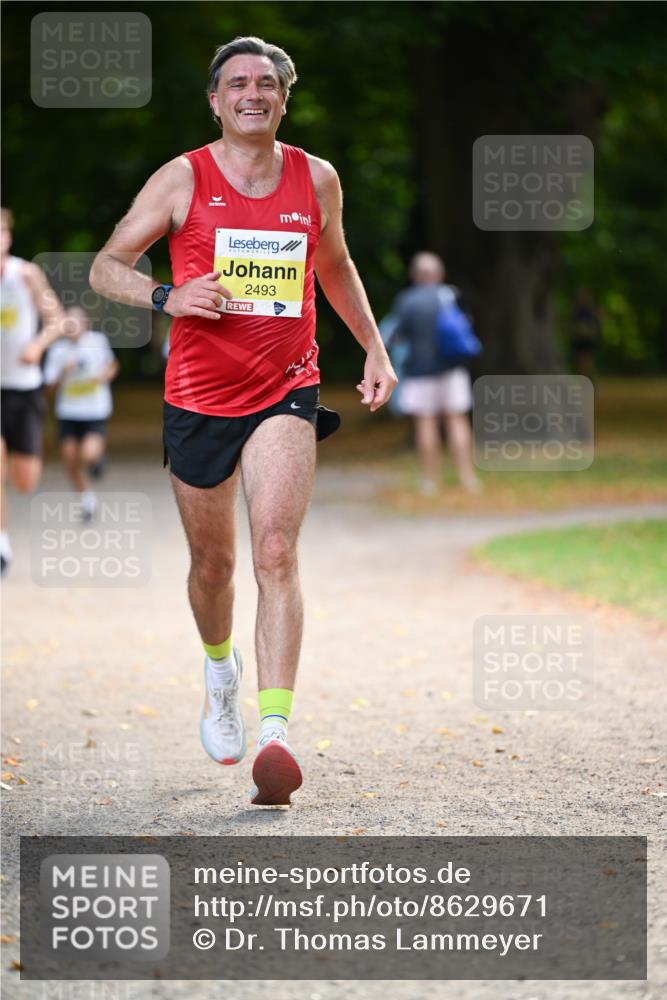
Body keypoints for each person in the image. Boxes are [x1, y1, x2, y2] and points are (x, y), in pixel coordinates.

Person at [90, 36, 397, 805]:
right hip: (197, 395)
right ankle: (220, 668)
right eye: (237, 84)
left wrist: (374, 348)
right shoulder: (182, 177)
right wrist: (169, 297)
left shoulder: (315, 178)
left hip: (286, 388)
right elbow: (105, 267)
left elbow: (334, 263)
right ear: (216, 100)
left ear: (284, 98)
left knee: (274, 551)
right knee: (215, 568)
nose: (252, 93)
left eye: (267, 83)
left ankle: (275, 734)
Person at [0, 207, 66, 575]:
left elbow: (58, 321)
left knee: (24, 481)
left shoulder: (26, 275)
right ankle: (1, 542)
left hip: (23, 389)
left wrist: (37, 347)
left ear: (8, 238)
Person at [390, 252, 479, 495]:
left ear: (415, 275)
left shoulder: (407, 301)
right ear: (439, 274)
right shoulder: (451, 295)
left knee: (425, 422)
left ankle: (429, 481)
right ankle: (467, 477)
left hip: (419, 371)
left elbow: (394, 335)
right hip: (452, 368)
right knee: (457, 419)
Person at [43, 306, 119, 520]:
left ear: (85, 324)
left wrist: (103, 377)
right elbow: (49, 389)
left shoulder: (97, 342)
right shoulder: (57, 351)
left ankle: (96, 461)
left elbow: (112, 365)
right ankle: (87, 500)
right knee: (70, 459)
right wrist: (63, 373)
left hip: (95, 410)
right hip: (68, 412)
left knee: (88, 454)